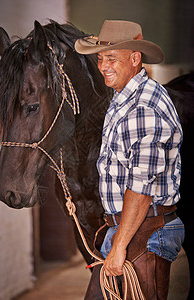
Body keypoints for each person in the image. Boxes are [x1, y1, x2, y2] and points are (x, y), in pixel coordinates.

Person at [75, 20, 185, 299]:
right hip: (130, 229)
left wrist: (120, 245)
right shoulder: (124, 98)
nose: (103, 66)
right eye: (100, 59)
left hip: (143, 233)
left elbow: (141, 186)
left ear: (135, 59)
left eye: (112, 58)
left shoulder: (143, 107)